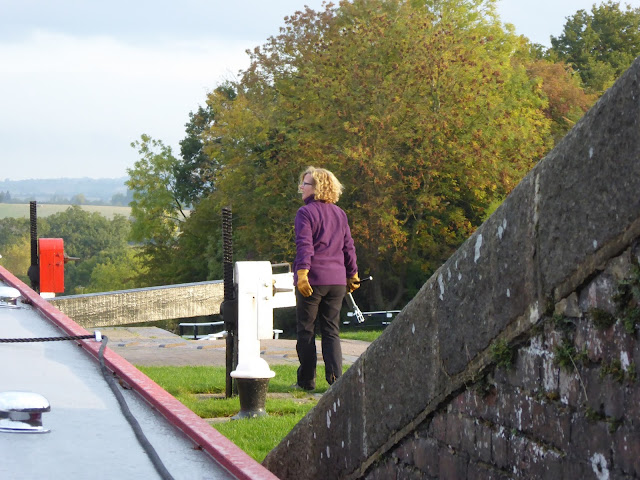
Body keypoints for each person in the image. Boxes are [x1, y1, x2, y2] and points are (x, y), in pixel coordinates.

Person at [293, 166, 360, 391]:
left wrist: (302, 273)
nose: (301, 187)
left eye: (305, 184)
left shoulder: (305, 213)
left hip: (313, 280)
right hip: (337, 281)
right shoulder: (340, 213)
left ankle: (306, 381)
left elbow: (305, 245)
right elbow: (348, 246)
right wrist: (353, 273)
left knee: (306, 330)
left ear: (317, 187)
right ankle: (335, 381)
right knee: (331, 331)